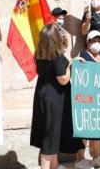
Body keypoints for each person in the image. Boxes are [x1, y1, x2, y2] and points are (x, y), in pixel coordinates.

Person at [30, 24, 83, 169]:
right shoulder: (58, 58)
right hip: (54, 100)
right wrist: (71, 65)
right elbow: (63, 79)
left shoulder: (40, 54)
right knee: (50, 139)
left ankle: (55, 165)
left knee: (50, 135)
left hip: (42, 95)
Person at [76, 30, 100, 169]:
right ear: (87, 43)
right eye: (94, 40)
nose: (97, 43)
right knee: (85, 131)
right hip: (87, 100)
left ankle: (97, 158)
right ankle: (80, 159)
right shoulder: (83, 56)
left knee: (98, 131)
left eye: (99, 41)